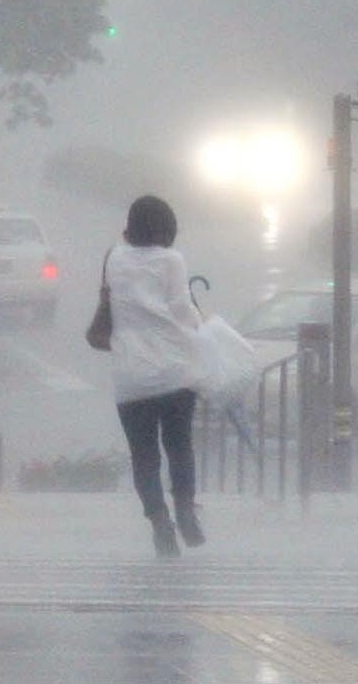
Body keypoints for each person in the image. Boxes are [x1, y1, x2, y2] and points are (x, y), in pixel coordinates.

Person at [104, 194, 205, 558]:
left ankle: (160, 522)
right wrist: (202, 324)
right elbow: (182, 311)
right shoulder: (171, 260)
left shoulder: (114, 258)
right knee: (179, 446)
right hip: (175, 372)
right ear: (166, 228)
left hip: (131, 377)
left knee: (144, 456)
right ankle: (185, 509)